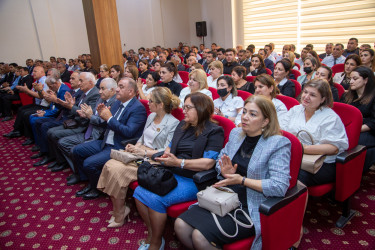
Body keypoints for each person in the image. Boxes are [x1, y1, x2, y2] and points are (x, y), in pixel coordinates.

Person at [175, 95, 291, 250]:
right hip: (224, 195)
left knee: (199, 236)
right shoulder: (237, 134)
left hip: (251, 204)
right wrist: (224, 170)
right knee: (180, 225)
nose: (245, 117)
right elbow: (219, 162)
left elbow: (279, 186)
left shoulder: (278, 143)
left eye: (252, 114)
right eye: (244, 112)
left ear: (265, 121)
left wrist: (242, 180)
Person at [134, 92, 224, 250]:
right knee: (140, 192)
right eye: (184, 106)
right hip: (171, 170)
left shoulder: (214, 131)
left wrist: (179, 162)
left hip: (193, 179)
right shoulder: (183, 126)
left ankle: (155, 243)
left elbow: (208, 163)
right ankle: (153, 234)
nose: (184, 110)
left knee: (155, 199)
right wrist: (167, 154)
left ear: (201, 109)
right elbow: (171, 146)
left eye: (188, 107)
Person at [97, 87, 180, 228]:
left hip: (154, 160)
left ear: (160, 105)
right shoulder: (151, 116)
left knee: (118, 171)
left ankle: (120, 213)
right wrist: (133, 147)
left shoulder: (173, 123)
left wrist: (141, 152)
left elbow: (165, 151)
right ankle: (120, 209)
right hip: (139, 153)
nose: (148, 102)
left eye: (151, 101)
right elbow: (142, 138)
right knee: (110, 164)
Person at [280, 79, 348, 186]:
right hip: (294, 155)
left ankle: (296, 201)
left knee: (289, 176)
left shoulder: (330, 118)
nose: (306, 97)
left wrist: (303, 148)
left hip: (320, 163)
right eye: (305, 92)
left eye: (312, 95)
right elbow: (281, 130)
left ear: (323, 99)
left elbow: (333, 148)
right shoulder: (296, 110)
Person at [341, 66, 375, 172]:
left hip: (367, 130)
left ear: (366, 80)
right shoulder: (347, 95)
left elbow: (373, 122)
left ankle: (352, 173)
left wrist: (355, 130)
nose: (351, 82)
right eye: (350, 78)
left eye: (355, 79)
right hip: (346, 129)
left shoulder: (373, 97)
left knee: (353, 143)